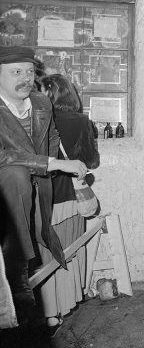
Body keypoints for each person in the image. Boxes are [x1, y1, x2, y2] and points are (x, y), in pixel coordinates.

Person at [0, 46, 87, 323]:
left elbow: (51, 136)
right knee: (15, 174)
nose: (25, 78)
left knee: (45, 235)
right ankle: (17, 271)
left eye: (29, 71)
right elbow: (4, 156)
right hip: (6, 189)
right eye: (16, 72)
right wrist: (56, 164)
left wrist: (51, 169)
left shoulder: (40, 102)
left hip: (37, 188)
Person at [37, 74, 100, 334]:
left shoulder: (38, 121)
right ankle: (68, 303)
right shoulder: (83, 121)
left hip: (45, 199)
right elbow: (92, 160)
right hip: (73, 198)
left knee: (47, 256)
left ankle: (50, 314)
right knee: (71, 252)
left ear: (49, 94)